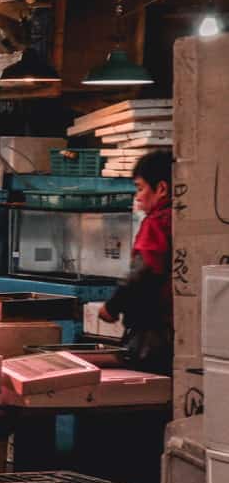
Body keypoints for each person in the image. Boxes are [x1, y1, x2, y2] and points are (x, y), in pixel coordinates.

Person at [100, 150, 174, 375]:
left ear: (161, 189)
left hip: (152, 334)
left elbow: (145, 270)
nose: (138, 197)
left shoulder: (156, 223)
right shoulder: (181, 219)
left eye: (140, 188)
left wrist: (111, 306)